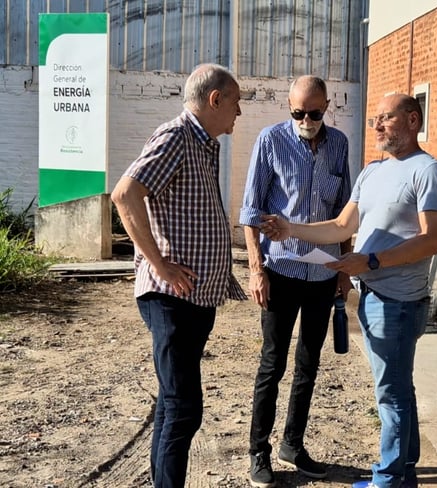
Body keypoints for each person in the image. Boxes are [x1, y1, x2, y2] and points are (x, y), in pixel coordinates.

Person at [259, 93, 437, 488]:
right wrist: (291, 229)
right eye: (374, 119)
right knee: (399, 388)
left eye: (386, 118)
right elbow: (341, 226)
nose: (377, 126)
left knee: (391, 395)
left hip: (399, 301)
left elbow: (432, 240)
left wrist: (372, 261)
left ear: (413, 120)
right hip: (373, 297)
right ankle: (404, 472)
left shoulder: (429, 171)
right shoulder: (372, 172)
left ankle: (388, 480)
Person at [111, 63, 247, 488]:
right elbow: (125, 194)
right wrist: (159, 264)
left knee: (174, 406)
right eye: (236, 102)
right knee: (184, 407)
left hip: (194, 298)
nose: (239, 112)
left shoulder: (204, 144)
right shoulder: (176, 136)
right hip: (171, 298)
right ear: (215, 99)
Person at [239, 75, 352, 487]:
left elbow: (345, 214)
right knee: (273, 363)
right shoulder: (271, 141)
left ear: (327, 107)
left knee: (309, 364)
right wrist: (256, 269)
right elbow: (251, 211)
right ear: (289, 107)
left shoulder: (339, 145)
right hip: (281, 271)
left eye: (314, 113)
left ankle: (292, 444)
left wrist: (343, 270)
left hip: (322, 273)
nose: (306, 120)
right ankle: (259, 451)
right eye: (298, 113)